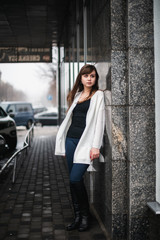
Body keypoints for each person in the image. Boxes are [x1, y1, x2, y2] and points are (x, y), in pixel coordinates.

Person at [55, 64, 105, 232]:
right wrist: (64, 144)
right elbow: (71, 120)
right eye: (86, 76)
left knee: (75, 178)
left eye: (92, 76)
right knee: (72, 181)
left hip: (85, 143)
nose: (89, 78)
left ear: (96, 78)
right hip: (71, 141)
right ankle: (77, 216)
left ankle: (85, 216)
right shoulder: (76, 95)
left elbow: (99, 123)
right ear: (81, 78)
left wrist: (95, 146)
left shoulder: (98, 96)